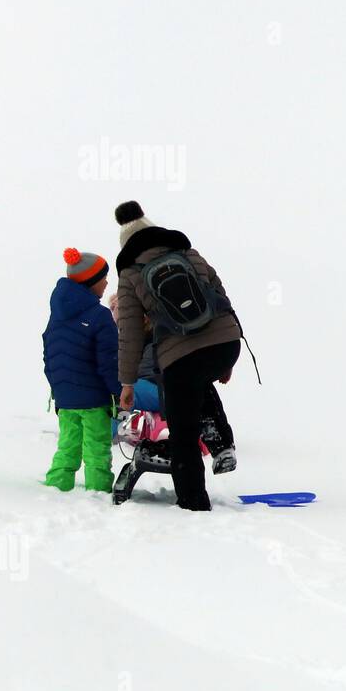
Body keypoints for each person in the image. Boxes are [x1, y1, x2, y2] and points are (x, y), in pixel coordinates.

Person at [114, 200, 241, 512]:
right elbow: (221, 294)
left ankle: (193, 503)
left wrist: (127, 383)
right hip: (226, 343)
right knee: (199, 386)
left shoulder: (131, 273)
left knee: (183, 431)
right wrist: (227, 359)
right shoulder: (188, 253)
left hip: (181, 355)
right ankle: (222, 441)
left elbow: (130, 332)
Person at [43, 248, 121, 492]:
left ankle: (56, 486)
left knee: (68, 446)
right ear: (90, 282)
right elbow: (109, 361)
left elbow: (50, 356)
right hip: (94, 399)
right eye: (103, 278)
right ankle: (98, 492)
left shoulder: (56, 316)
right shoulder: (100, 315)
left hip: (65, 399)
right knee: (96, 448)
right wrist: (119, 392)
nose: (107, 282)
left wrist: (58, 390)